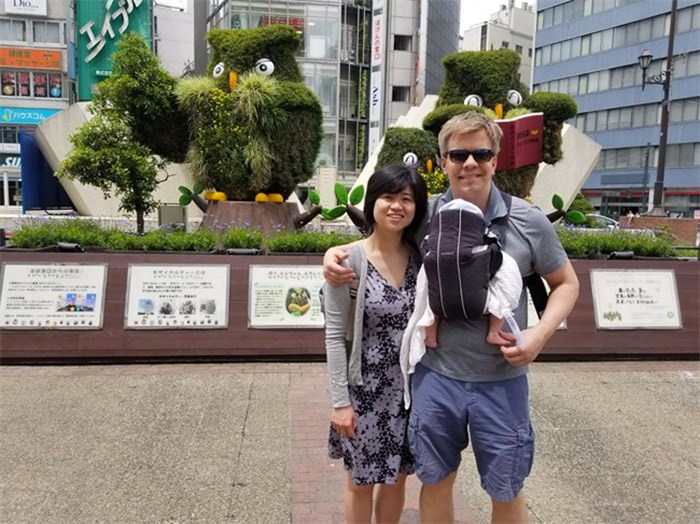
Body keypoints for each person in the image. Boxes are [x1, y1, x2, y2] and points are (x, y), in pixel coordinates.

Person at [323, 111, 580, 523]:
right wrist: (336, 255)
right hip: (435, 378)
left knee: (506, 488)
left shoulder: (527, 220)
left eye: (481, 153)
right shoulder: (425, 216)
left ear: (496, 159)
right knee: (435, 480)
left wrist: (540, 334)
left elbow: (566, 283)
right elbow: (382, 236)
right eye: (459, 154)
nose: (470, 163)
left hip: (502, 382)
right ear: (443, 162)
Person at [323, 164, 428, 523]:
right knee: (361, 480)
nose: (396, 206)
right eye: (388, 196)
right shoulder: (348, 260)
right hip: (364, 392)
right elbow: (335, 336)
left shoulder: (420, 260)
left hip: (410, 391)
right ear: (372, 202)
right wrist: (340, 403)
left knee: (398, 477)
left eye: (406, 199)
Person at [421, 197, 522, 348]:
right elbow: (495, 252)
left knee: (425, 295)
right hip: (480, 306)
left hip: (439, 304)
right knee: (504, 292)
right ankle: (493, 333)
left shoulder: (433, 238)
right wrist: (489, 272)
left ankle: (430, 337)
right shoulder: (482, 237)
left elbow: (425, 246)